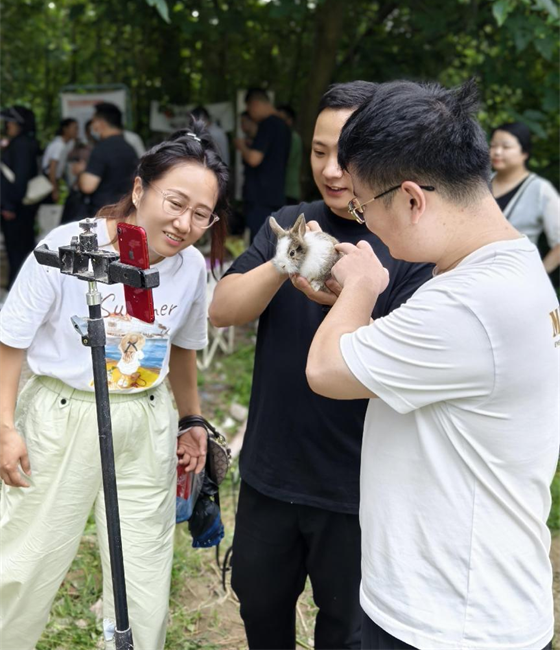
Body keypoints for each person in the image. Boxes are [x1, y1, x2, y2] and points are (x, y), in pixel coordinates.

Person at [306, 79, 559, 650]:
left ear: (412, 199)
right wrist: (357, 311)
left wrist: (360, 287)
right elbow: (434, 362)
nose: (364, 222)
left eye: (364, 206)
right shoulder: (505, 265)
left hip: (450, 622)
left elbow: (324, 370)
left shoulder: (471, 302)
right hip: (465, 601)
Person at [210, 81, 433, 650]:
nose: (331, 170)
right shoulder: (290, 220)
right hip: (270, 473)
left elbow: (405, 363)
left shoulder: (409, 246)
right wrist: (286, 259)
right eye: (318, 151)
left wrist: (351, 296)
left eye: (347, 153)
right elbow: (223, 309)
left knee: (346, 632)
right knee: (261, 610)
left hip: (357, 488)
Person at [0, 122, 230, 650]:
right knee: (25, 562)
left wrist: (191, 418)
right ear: (139, 189)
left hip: (145, 417)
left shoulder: (190, 266)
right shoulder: (67, 247)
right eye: (175, 203)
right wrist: (5, 427)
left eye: (202, 214)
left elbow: (183, 348)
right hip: (63, 414)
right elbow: (10, 342)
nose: (185, 223)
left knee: (143, 573)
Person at [490, 121, 560, 274]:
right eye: (493, 146)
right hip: (472, 275)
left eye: (506, 147)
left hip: (515, 277)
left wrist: (538, 274)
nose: (497, 152)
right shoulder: (480, 184)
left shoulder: (541, 189)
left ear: (524, 153)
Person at [234, 88, 291, 242]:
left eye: (249, 108)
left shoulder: (267, 124)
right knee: (271, 241)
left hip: (260, 195)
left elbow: (254, 158)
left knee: (259, 242)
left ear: (254, 104)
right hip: (275, 194)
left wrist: (241, 147)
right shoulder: (284, 126)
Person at [0, 106, 41, 290]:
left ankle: (18, 290)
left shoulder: (22, 145)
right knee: (19, 250)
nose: (7, 125)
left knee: (18, 251)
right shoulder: (22, 143)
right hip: (17, 206)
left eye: (10, 122)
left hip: (16, 209)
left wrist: (9, 206)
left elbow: (20, 179)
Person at [77, 102, 138, 214]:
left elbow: (87, 186)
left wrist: (81, 171)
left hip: (103, 213)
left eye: (93, 122)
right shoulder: (129, 148)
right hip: (125, 211)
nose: (92, 127)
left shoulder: (101, 149)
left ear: (101, 123)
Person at [41, 118, 78, 202]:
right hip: (49, 180)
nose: (77, 131)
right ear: (65, 129)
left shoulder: (68, 143)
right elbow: (52, 168)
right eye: (75, 128)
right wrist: (54, 190)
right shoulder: (58, 145)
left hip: (53, 180)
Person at [277, 104, 303, 204]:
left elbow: (285, 160)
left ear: (290, 121)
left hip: (289, 190)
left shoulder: (294, 138)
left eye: (281, 119)